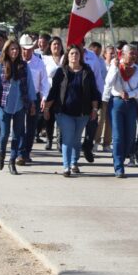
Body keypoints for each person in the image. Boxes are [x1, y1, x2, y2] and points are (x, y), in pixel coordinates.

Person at [44, 45, 100, 177]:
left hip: (83, 113)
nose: (74, 56)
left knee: (76, 139)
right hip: (63, 112)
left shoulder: (87, 71)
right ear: (67, 56)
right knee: (68, 139)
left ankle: (74, 162)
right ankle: (66, 166)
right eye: (72, 54)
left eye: (77, 54)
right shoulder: (61, 72)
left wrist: (95, 109)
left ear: (81, 56)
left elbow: (94, 92)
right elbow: (53, 92)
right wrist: (47, 108)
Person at [0, 39, 32, 175]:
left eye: (16, 49)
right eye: (12, 49)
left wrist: (32, 103)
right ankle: (1, 155)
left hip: (19, 105)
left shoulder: (24, 66)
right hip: (4, 105)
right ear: (7, 51)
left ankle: (12, 161)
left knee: (18, 135)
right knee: (4, 135)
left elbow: (30, 86)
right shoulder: (0, 66)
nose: (14, 51)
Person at [105, 44, 138, 177]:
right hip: (116, 103)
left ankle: (122, 158)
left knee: (129, 137)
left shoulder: (137, 70)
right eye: (131, 53)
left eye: (135, 53)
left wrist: (132, 94)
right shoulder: (116, 65)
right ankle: (118, 166)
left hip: (131, 104)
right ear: (123, 54)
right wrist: (114, 68)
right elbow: (109, 82)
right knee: (118, 136)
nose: (134, 56)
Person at [19, 34, 49, 165]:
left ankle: (26, 152)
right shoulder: (16, 62)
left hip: (34, 97)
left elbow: (44, 82)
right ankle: (19, 152)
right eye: (24, 49)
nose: (26, 51)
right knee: (19, 126)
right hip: (19, 97)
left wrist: (44, 98)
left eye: (29, 48)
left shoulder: (39, 63)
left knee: (31, 127)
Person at [42, 36, 65, 150]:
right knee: (48, 117)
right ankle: (49, 139)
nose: (56, 46)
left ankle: (59, 141)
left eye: (58, 44)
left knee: (60, 117)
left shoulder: (65, 58)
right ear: (50, 46)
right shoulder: (45, 59)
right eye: (54, 44)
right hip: (49, 92)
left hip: (62, 93)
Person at [94, 44, 116, 151]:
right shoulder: (102, 65)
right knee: (100, 120)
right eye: (110, 53)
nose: (112, 55)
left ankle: (107, 143)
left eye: (114, 53)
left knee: (110, 121)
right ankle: (96, 141)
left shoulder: (117, 65)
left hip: (114, 97)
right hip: (103, 96)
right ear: (105, 54)